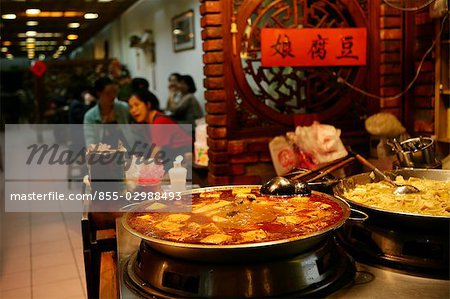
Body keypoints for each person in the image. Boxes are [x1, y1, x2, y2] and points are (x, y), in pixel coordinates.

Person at [128, 88, 192, 170]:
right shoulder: (146, 124)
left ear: (148, 104)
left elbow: (156, 154)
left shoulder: (160, 121)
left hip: (186, 159)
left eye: (137, 105)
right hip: (173, 159)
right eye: (131, 107)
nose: (133, 110)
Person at [83, 76, 136, 149]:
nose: (112, 96)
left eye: (114, 92)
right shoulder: (90, 116)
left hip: (128, 152)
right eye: (108, 93)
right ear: (99, 94)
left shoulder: (123, 108)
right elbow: (90, 142)